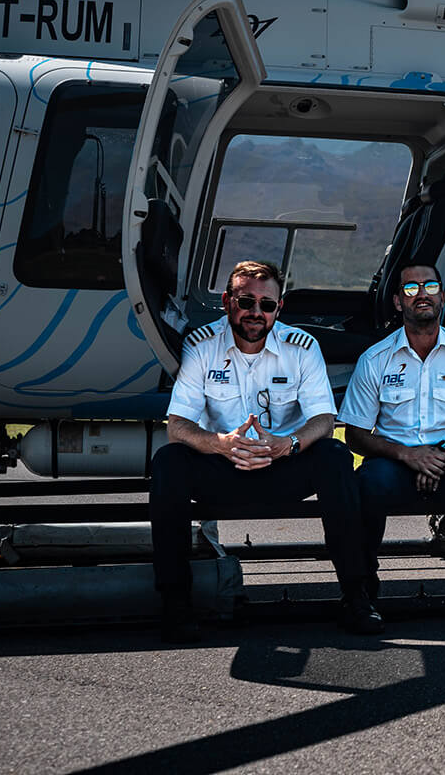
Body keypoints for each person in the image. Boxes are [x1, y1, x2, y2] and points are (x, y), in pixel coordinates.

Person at [151, 260, 379, 642]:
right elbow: (178, 426)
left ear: (279, 308)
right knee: (168, 463)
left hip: (281, 466)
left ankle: (356, 595)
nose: (256, 312)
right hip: (223, 467)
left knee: (335, 457)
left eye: (266, 304)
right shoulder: (201, 345)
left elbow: (324, 419)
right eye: (246, 301)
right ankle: (175, 603)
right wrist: (219, 445)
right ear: (227, 302)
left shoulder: (302, 347)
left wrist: (287, 445)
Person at [340, 262, 445, 609]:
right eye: (411, 288)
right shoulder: (375, 360)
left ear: (442, 297)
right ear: (398, 301)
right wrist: (408, 455)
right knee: (367, 485)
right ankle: (363, 585)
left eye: (430, 287)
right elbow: (355, 435)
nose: (422, 295)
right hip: (394, 460)